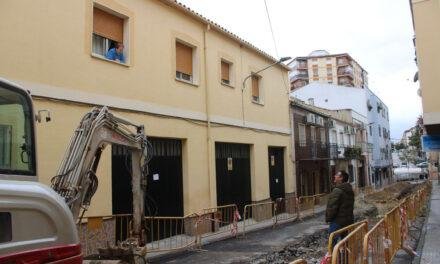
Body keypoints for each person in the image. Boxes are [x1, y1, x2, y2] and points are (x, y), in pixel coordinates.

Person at [325, 170, 354, 247]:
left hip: (337, 221)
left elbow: (332, 207)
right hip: (348, 220)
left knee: (332, 242)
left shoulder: (337, 190)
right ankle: (344, 259)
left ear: (341, 178)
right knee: (345, 243)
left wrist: (328, 218)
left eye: (336, 175)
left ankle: (333, 258)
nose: (334, 176)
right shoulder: (349, 189)